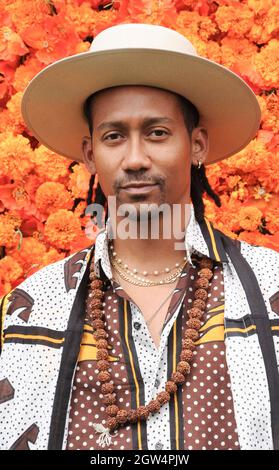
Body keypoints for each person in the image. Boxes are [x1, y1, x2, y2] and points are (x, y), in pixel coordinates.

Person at [0, 23, 278, 451]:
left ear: (197, 145)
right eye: (114, 136)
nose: (134, 159)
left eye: (157, 132)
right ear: (91, 154)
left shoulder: (270, 289)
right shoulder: (31, 310)